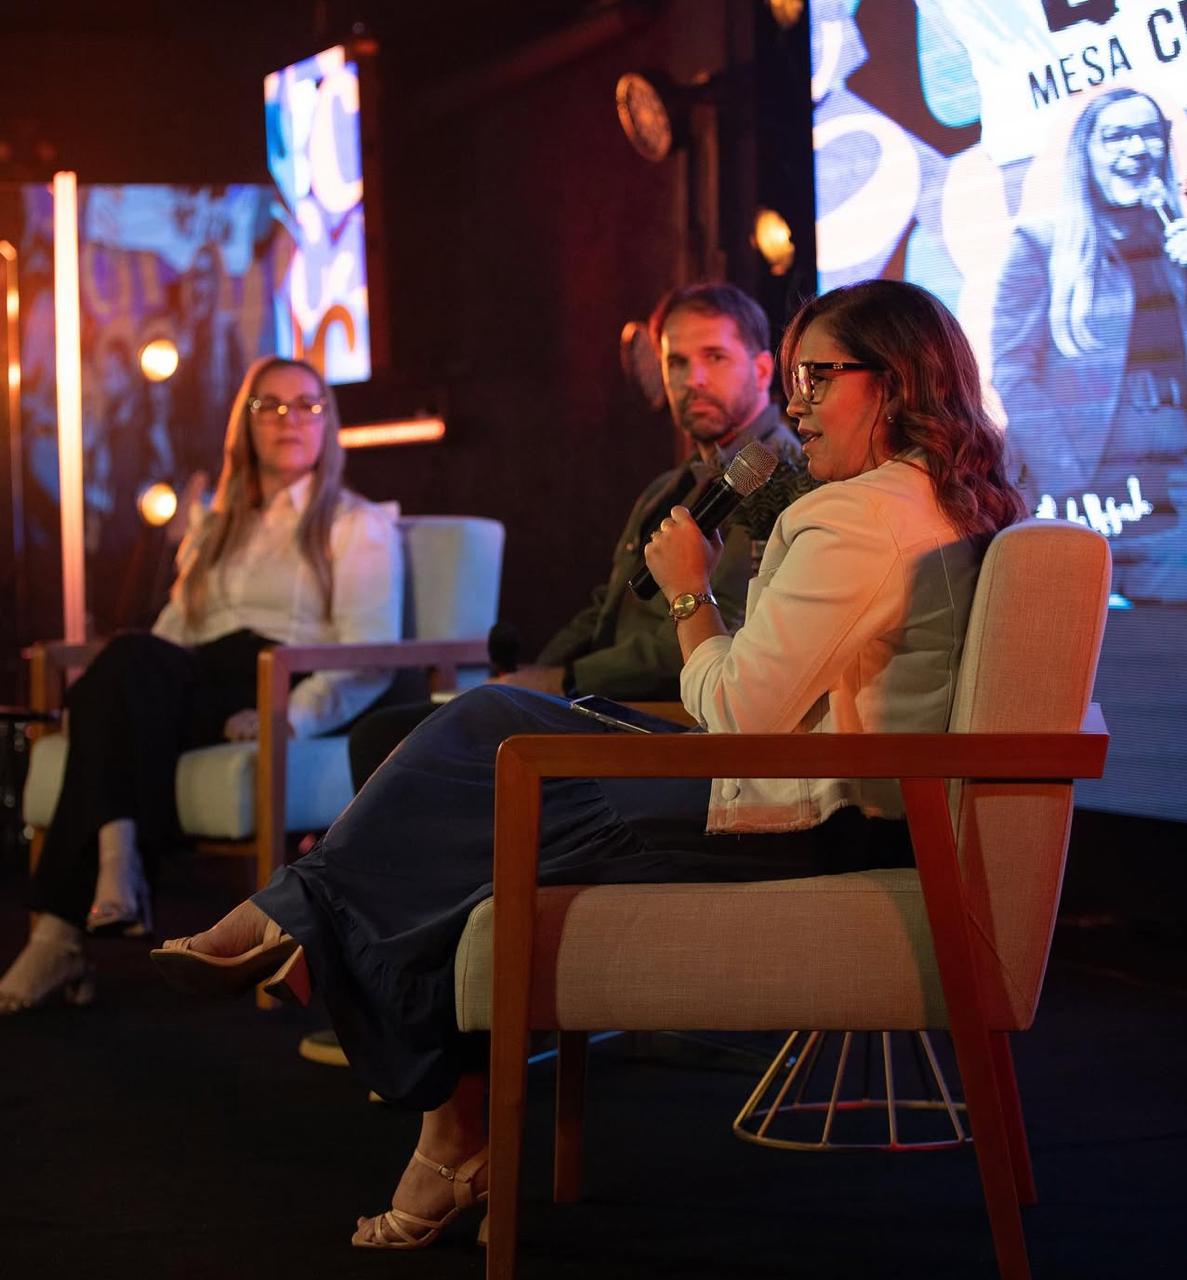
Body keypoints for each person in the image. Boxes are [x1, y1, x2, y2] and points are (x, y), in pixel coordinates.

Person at [151, 279, 1025, 1251]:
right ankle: (349, 982)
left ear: (896, 380)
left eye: (819, 376)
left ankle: (324, 946)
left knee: (478, 764)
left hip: (796, 824)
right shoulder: (934, 496)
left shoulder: (850, 514)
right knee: (483, 736)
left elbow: (737, 715)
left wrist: (692, 596)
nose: (801, 402)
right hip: (834, 803)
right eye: (803, 377)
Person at [0, 356, 403, 1015]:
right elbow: (166, 638)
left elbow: (370, 651)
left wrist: (292, 714)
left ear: (328, 424)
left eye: (307, 406)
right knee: (125, 665)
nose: (289, 421)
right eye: (269, 407)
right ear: (242, 425)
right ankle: (114, 856)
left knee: (119, 682)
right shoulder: (215, 524)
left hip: (272, 674)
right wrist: (129, 670)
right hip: (195, 678)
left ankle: (66, 923)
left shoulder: (355, 523)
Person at [346, 281, 811, 786]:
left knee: (389, 738)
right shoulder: (669, 485)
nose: (693, 378)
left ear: (763, 369)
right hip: (605, 702)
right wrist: (527, 679)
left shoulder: (776, 476)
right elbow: (604, 606)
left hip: (671, 716)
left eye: (715, 357)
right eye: (677, 363)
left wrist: (565, 680)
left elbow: (724, 627)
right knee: (398, 732)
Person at [992, 87, 1187, 542]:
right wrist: (1064, 479)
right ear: (1087, 152)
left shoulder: (1175, 241)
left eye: (1149, 135)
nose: (1137, 150)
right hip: (1103, 475)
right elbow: (1013, 370)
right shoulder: (1041, 244)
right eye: (1117, 136)